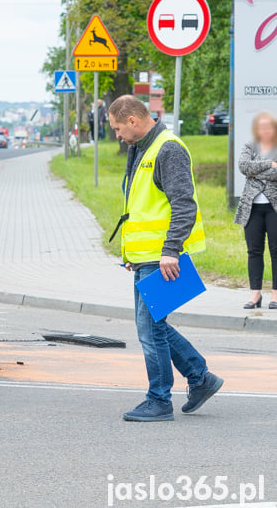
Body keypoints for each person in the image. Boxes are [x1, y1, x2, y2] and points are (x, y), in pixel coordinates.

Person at [108, 95, 222, 422]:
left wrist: (171, 250)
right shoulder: (141, 148)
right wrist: (130, 252)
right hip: (146, 256)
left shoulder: (168, 149)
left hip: (162, 258)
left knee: (150, 329)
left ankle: (159, 400)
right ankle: (200, 377)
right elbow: (142, 208)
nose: (116, 134)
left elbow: (184, 205)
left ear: (132, 121)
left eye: (117, 128)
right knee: (154, 326)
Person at [234, 111, 277, 309]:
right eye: (262, 127)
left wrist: (256, 173)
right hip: (252, 209)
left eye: (269, 127)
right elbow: (243, 166)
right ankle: (255, 295)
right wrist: (269, 164)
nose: (265, 131)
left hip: (274, 208)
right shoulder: (249, 146)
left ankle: (275, 295)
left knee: (276, 251)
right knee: (254, 251)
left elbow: (253, 170)